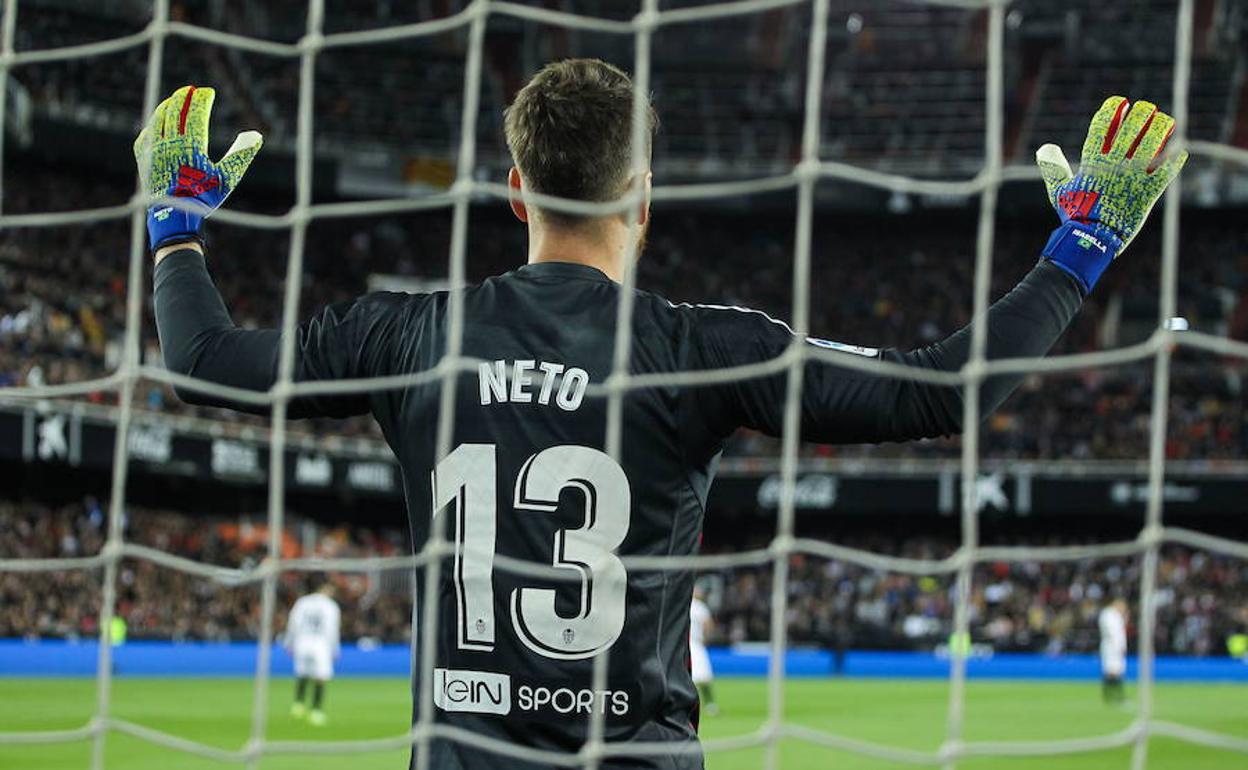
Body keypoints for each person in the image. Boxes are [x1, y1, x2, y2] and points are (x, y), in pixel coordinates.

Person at [139, 61, 1184, 769]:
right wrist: (1077, 253)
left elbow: (203, 361)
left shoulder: (409, 334)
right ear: (644, 195)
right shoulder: (700, 346)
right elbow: (940, 389)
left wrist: (175, 231)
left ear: (515, 189)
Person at [285, 583, 341, 726]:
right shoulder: (331, 606)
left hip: (302, 641)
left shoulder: (303, 602)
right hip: (321, 644)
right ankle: (316, 711)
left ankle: (298, 706)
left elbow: (293, 623)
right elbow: (332, 629)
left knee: (302, 673)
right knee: (321, 676)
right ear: (326, 589)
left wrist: (289, 643)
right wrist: (335, 648)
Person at [689, 586, 718, 716]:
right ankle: (710, 705)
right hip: (696, 644)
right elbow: (708, 625)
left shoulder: (683, 604)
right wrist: (706, 638)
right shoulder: (700, 607)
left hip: (683, 644)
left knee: (689, 677)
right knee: (704, 677)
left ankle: (689, 705)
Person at [1098, 598, 1128, 704]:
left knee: (1116, 671)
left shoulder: (1115, 615)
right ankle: (1112, 695)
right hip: (1111, 647)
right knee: (1112, 671)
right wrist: (1118, 646)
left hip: (1115, 647)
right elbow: (1112, 632)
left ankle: (1114, 695)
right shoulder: (1108, 614)